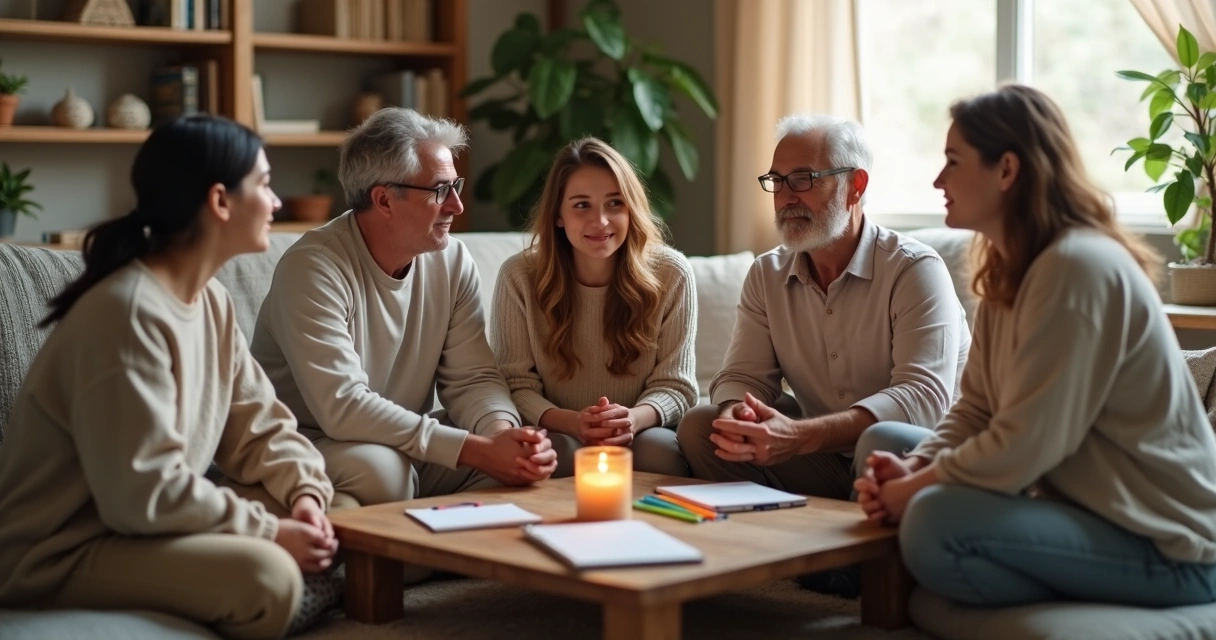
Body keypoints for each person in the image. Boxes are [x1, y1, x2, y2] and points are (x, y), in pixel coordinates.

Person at [856, 84, 1216, 609]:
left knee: (932, 521)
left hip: (1167, 544)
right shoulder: (1011, 267)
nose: (938, 180)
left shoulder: (1076, 268)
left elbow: (1024, 446)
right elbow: (976, 407)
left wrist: (912, 492)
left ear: (1006, 169)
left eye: (953, 162)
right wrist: (915, 467)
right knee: (884, 442)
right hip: (1082, 510)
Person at [0, 115, 338, 639]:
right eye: (265, 185)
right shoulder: (128, 312)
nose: (276, 203)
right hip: (64, 551)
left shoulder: (212, 302)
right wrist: (271, 533)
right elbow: (143, 492)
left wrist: (306, 498)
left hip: (141, 528)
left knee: (340, 510)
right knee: (267, 577)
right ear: (221, 201)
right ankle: (294, 587)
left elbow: (260, 427)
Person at [251, 107, 557, 509]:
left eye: (456, 186)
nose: (457, 206)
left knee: (555, 451)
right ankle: (425, 550)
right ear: (383, 199)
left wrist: (501, 436)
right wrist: (479, 453)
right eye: (440, 190)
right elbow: (343, 407)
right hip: (313, 440)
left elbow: (473, 379)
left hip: (402, 439)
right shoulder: (313, 268)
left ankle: (430, 547)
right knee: (384, 472)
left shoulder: (451, 261)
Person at [677, 113, 970, 500]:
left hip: (912, 462)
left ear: (855, 185)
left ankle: (848, 557)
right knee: (703, 426)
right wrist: (738, 413)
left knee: (878, 437)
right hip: (823, 460)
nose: (786, 197)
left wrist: (800, 436)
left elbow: (922, 398)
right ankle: (779, 551)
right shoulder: (767, 274)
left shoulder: (914, 269)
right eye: (777, 181)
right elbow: (744, 377)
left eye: (803, 179)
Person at [490, 137, 698, 477]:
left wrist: (632, 418)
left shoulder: (673, 273)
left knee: (657, 453)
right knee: (558, 454)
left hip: (643, 429)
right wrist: (575, 423)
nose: (600, 221)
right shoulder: (519, 276)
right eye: (582, 205)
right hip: (559, 428)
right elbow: (515, 384)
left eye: (615, 203)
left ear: (632, 209)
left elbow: (677, 385)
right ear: (557, 215)